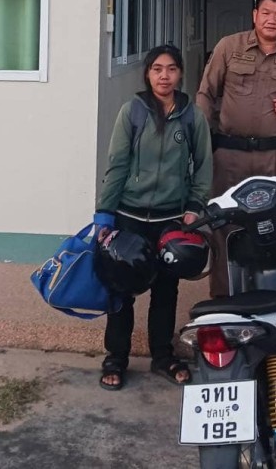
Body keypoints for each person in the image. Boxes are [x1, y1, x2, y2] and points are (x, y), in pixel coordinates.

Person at [94, 45, 212, 390]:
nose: (164, 76)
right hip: (129, 216)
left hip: (171, 219)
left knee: (165, 290)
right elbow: (117, 165)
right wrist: (105, 213)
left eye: (171, 69)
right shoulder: (132, 111)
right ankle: (116, 357)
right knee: (121, 289)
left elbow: (204, 166)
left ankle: (163, 356)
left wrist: (194, 207)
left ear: (180, 73)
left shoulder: (192, 116)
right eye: (157, 69)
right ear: (147, 74)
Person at [196, 0, 276, 298]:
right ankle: (224, 298)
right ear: (254, 15)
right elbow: (206, 93)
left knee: (273, 226)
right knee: (224, 224)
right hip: (229, 156)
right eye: (266, 12)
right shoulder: (229, 47)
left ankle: (268, 297)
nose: (272, 19)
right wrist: (200, 144)